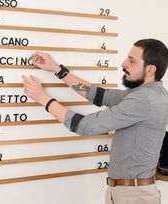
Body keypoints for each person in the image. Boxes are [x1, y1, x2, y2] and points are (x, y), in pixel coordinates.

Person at [22, 39, 168, 204]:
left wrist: (42, 98)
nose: (124, 63)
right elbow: (99, 95)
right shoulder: (151, 94)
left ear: (150, 69)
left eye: (132, 60)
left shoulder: (144, 100)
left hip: (133, 196)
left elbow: (85, 126)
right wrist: (57, 69)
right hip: (132, 193)